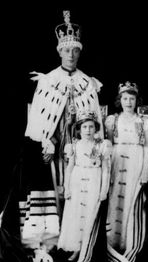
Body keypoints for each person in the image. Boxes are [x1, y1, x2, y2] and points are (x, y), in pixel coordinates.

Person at [21, 10, 104, 249]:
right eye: (67, 50)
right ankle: (52, 235)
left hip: (80, 143)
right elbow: (38, 119)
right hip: (55, 142)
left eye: (75, 50)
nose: (71, 54)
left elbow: (95, 120)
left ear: (80, 52)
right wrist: (47, 141)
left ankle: (77, 238)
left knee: (78, 185)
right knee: (52, 178)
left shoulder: (87, 83)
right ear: (59, 52)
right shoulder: (47, 81)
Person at [105, 81, 148, 259]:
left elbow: (147, 148)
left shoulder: (143, 122)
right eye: (125, 99)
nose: (128, 102)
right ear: (120, 100)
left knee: (132, 200)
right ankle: (112, 243)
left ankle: (130, 242)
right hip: (117, 163)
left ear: (137, 101)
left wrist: (145, 171)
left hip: (136, 161)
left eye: (132, 99)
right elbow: (109, 146)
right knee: (115, 201)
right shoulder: (113, 121)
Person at [57, 109, 111, 262]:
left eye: (91, 127)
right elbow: (69, 168)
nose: (88, 130)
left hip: (94, 180)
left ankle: (87, 248)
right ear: (79, 129)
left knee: (90, 215)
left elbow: (106, 170)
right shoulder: (74, 146)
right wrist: (67, 188)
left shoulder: (102, 146)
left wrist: (103, 190)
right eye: (85, 127)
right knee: (76, 215)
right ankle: (77, 248)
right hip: (77, 181)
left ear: (96, 128)